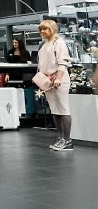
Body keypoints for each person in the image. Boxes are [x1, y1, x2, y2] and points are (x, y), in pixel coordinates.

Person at [37, 20, 72, 151]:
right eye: (41, 29)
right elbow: (41, 65)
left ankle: (67, 140)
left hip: (58, 80)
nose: (42, 31)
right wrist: (41, 81)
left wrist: (58, 78)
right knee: (55, 110)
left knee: (63, 109)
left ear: (52, 29)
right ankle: (61, 138)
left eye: (45, 29)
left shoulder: (59, 42)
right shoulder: (44, 45)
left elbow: (62, 62)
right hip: (47, 81)